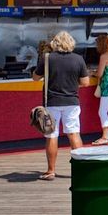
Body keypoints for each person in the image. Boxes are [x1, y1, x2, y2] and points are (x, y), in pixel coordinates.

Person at [32, 31, 89, 181]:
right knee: (74, 134)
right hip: (72, 102)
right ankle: (81, 170)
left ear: (55, 44)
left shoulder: (48, 58)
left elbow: (35, 78)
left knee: (52, 136)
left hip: (52, 102)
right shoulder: (78, 59)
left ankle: (51, 171)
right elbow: (85, 82)